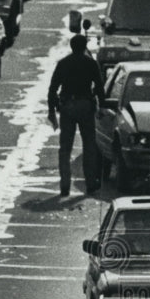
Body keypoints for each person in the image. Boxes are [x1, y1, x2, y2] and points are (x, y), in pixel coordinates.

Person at [47, 35, 105, 196]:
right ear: (84, 46)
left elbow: (53, 88)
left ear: (71, 47)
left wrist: (51, 110)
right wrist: (103, 106)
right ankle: (91, 183)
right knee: (89, 145)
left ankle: (65, 185)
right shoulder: (90, 63)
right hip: (86, 105)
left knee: (65, 147)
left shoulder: (64, 63)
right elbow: (99, 86)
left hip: (67, 106)